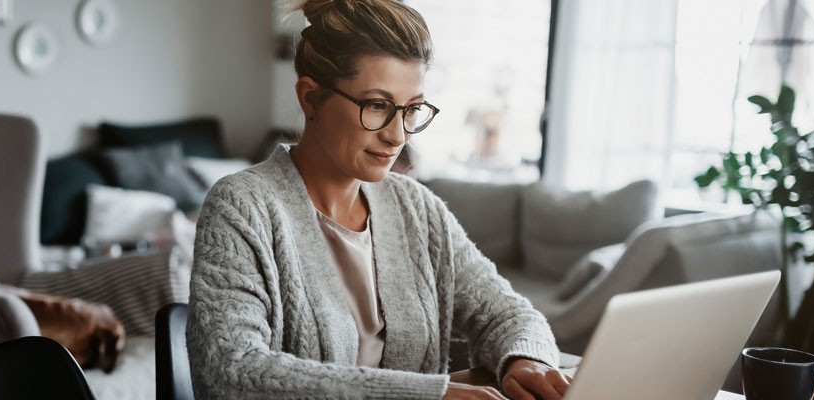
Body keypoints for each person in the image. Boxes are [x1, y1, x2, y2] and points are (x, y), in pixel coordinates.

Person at [186, 0, 571, 398]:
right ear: (309, 98)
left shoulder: (417, 209)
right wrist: (431, 396)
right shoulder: (241, 207)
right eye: (377, 106)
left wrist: (527, 360)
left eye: (412, 109)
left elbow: (508, 313)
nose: (398, 135)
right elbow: (232, 372)